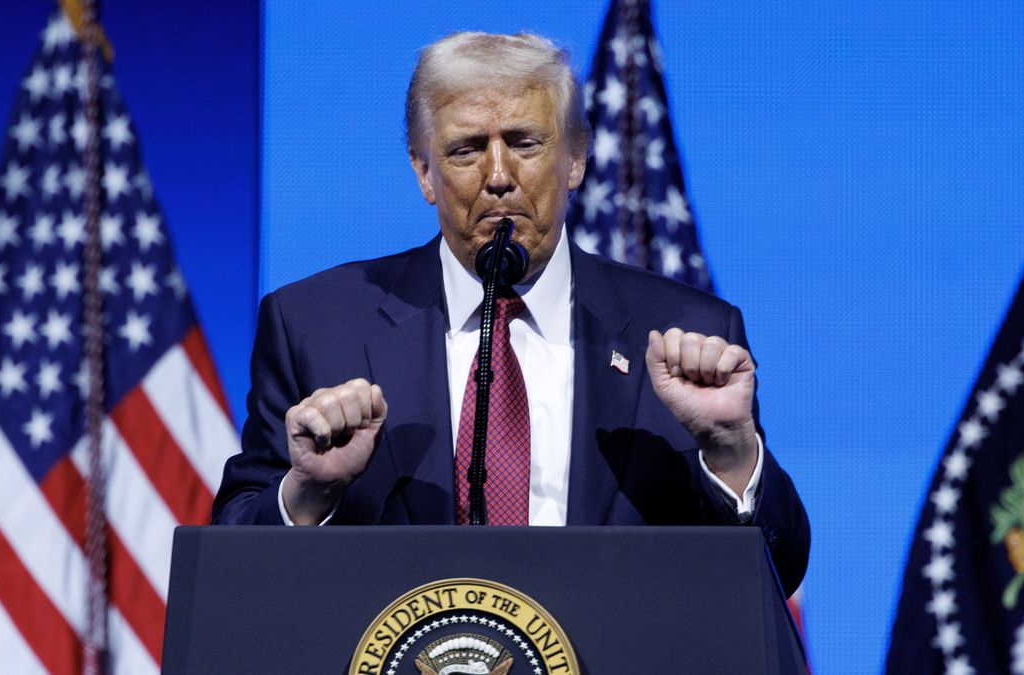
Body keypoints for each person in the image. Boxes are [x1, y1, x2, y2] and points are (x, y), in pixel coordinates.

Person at [213, 31, 809, 594]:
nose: (499, 177)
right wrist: (310, 494)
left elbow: (776, 572)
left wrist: (733, 452)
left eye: (524, 143)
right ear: (425, 172)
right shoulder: (315, 325)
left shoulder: (688, 332)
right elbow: (233, 566)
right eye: (466, 149)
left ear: (575, 159)